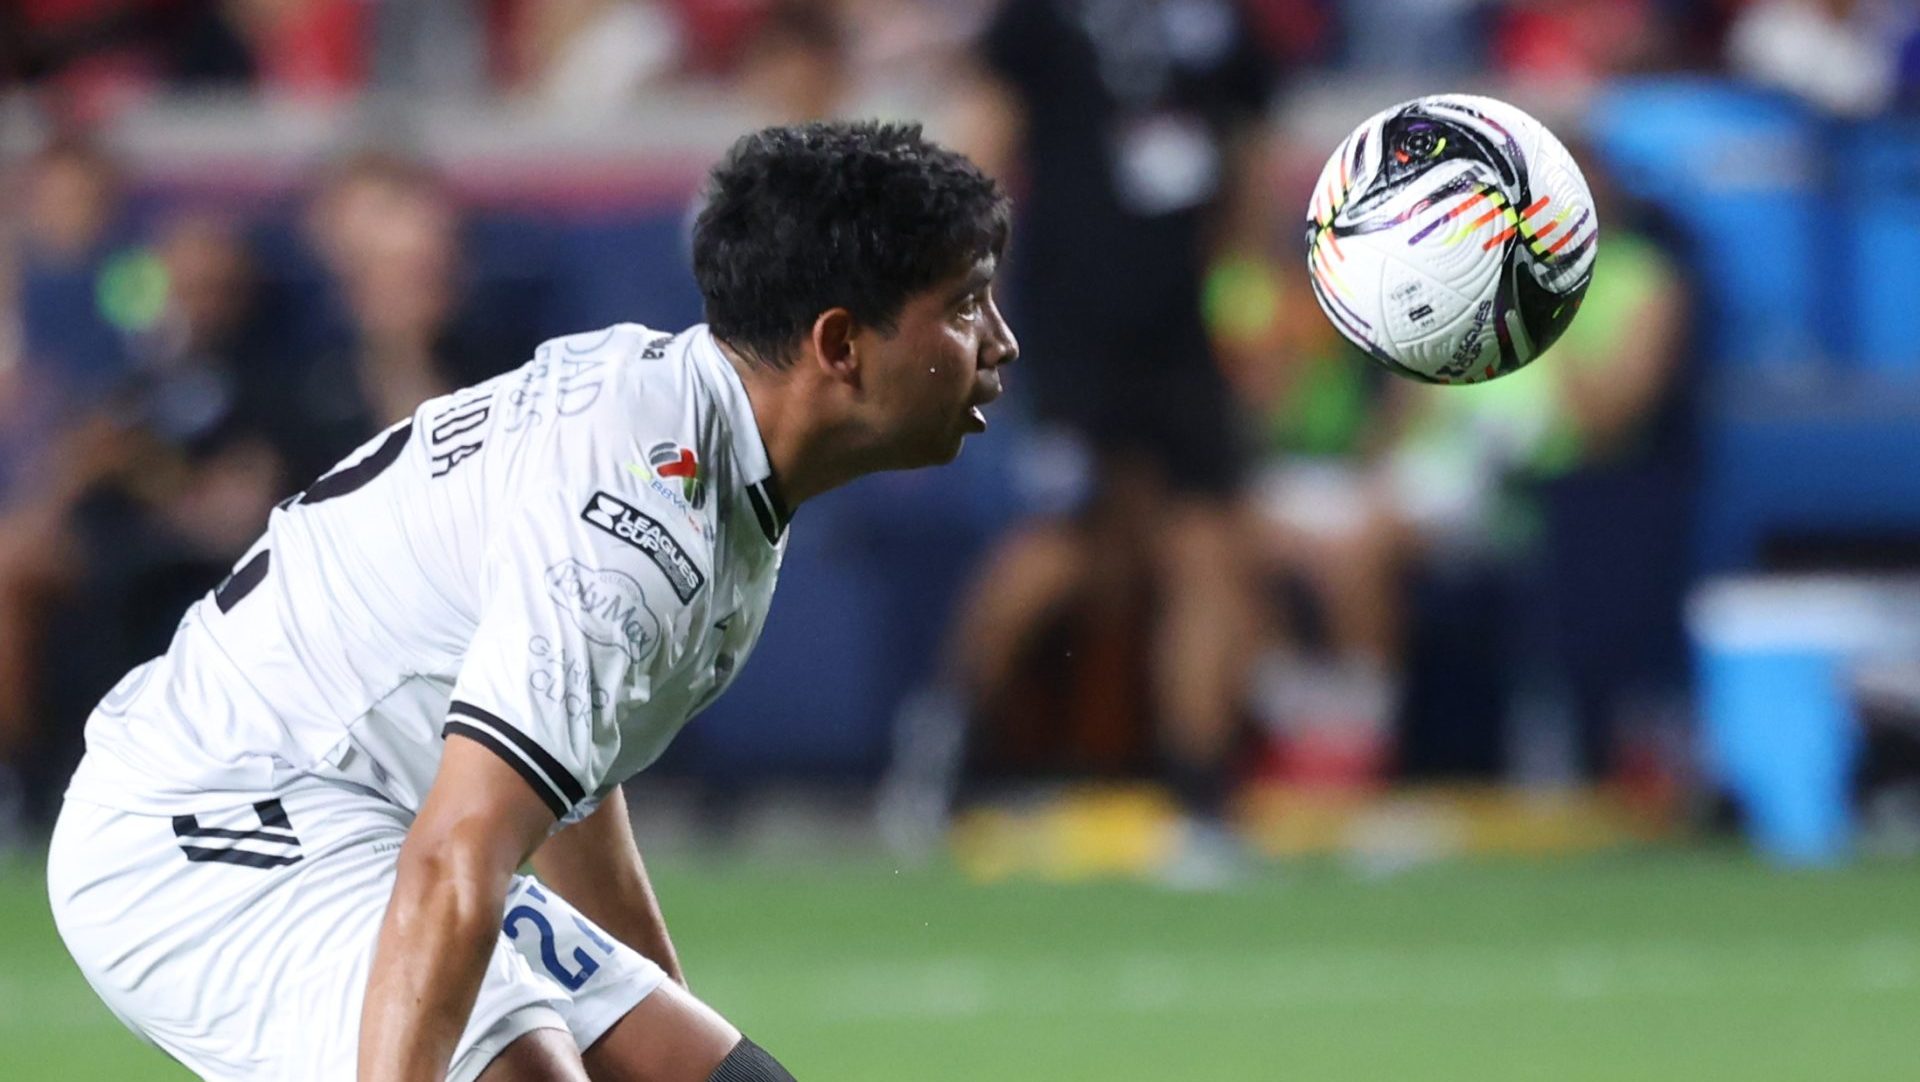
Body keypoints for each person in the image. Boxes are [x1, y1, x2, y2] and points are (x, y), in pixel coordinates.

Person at [46, 120, 1017, 1082]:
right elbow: (454, 858)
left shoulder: (686, 432)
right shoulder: (634, 521)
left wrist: (654, 1001)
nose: (1000, 341)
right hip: (211, 825)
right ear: (840, 342)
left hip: (363, 813)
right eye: (967, 304)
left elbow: (563, 767)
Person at [888, 0, 1279, 884]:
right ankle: (944, 743)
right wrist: (957, 298)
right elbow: (982, 148)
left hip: (1185, 326)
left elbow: (1246, 164)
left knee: (1210, 550)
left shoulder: (1221, 25)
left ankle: (1200, 799)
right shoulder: (1043, 17)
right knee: (1067, 545)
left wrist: (1252, 303)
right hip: (1077, 322)